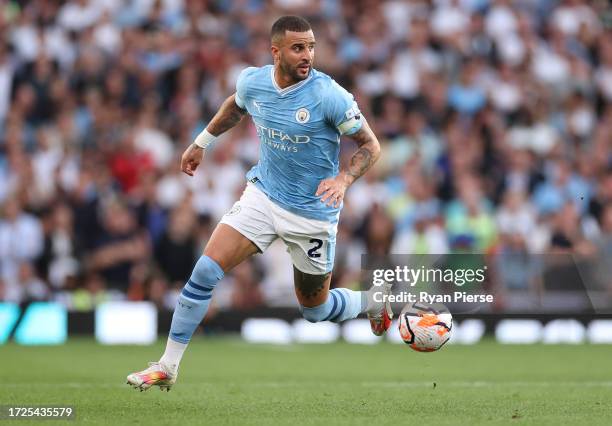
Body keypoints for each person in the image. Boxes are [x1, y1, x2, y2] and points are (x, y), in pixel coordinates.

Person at [127, 15, 392, 392]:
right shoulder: (253, 81)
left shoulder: (329, 95)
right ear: (276, 51)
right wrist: (200, 142)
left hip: (312, 214)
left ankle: (372, 300)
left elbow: (371, 145)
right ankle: (167, 366)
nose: (308, 55)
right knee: (204, 272)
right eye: (299, 47)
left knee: (314, 310)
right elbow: (236, 106)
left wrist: (344, 179)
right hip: (263, 197)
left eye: (312, 47)